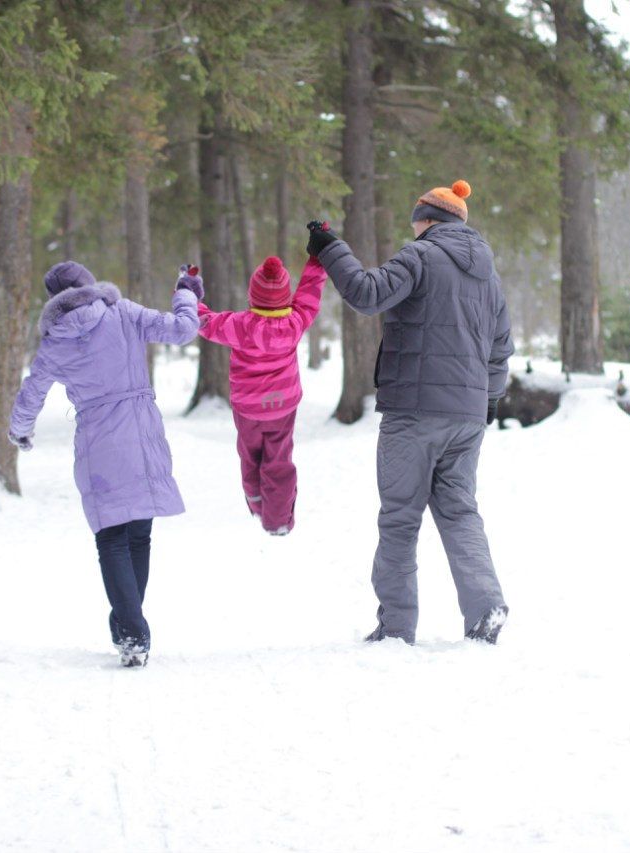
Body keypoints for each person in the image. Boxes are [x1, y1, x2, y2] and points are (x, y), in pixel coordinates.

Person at [306, 179, 514, 645]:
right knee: (460, 512)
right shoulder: (488, 275)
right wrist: (488, 402)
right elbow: (501, 347)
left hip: (414, 413)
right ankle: (485, 607)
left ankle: (396, 627)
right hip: (466, 416)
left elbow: (365, 292)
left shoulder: (420, 255)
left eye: (415, 219)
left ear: (428, 220)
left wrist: (329, 246)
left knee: (400, 516)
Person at [8, 261, 203, 667]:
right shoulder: (124, 312)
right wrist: (187, 291)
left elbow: (33, 391)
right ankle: (130, 629)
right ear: (89, 285)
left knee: (111, 537)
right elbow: (183, 329)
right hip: (140, 431)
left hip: (97, 441)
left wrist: (20, 430)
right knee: (139, 536)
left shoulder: (55, 341)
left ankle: (129, 629)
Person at [196, 255, 326, 535]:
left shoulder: (240, 325)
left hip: (248, 409)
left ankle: (257, 505)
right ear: (284, 297)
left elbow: (205, 322)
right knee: (278, 459)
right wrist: (317, 259)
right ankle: (277, 520)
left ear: (252, 295)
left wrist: (188, 296)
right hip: (282, 406)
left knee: (250, 457)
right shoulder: (295, 322)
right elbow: (309, 293)